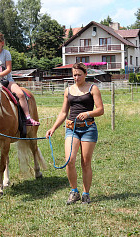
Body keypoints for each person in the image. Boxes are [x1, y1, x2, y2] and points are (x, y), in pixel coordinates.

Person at [45, 62, 104, 205]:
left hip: (88, 128)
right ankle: (74, 191)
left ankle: (86, 193)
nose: (76, 77)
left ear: (85, 74)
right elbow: (64, 112)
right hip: (71, 128)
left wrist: (88, 113)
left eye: (79, 74)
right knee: (69, 161)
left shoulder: (92, 88)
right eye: (74, 75)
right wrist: (53, 128)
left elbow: (100, 110)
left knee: (85, 163)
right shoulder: (68, 90)